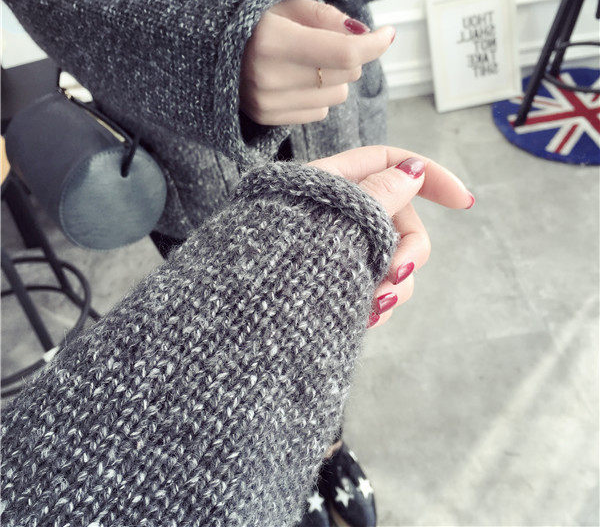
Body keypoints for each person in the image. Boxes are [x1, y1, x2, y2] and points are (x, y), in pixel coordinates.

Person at [0, 0, 437, 524]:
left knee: (335, 314)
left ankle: (326, 447)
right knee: (236, 337)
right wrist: (196, 49)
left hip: (337, 102)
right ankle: (282, 462)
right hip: (183, 136)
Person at [0, 146, 474, 527]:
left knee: (316, 360)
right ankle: (282, 473)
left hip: (325, 147)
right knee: (217, 362)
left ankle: (324, 451)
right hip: (191, 166)